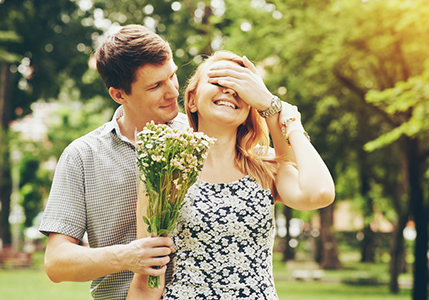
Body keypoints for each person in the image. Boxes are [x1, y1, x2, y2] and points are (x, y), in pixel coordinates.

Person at [126, 51, 335, 299]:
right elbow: (147, 277)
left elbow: (319, 192)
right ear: (191, 100)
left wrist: (278, 111)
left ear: (250, 107)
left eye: (241, 88)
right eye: (219, 82)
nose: (230, 91)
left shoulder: (265, 165)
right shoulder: (165, 172)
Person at [39, 25, 186, 299]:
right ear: (119, 95)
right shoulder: (81, 156)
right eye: (155, 85)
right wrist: (126, 256)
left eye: (172, 75)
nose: (173, 92)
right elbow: (56, 263)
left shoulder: (203, 136)